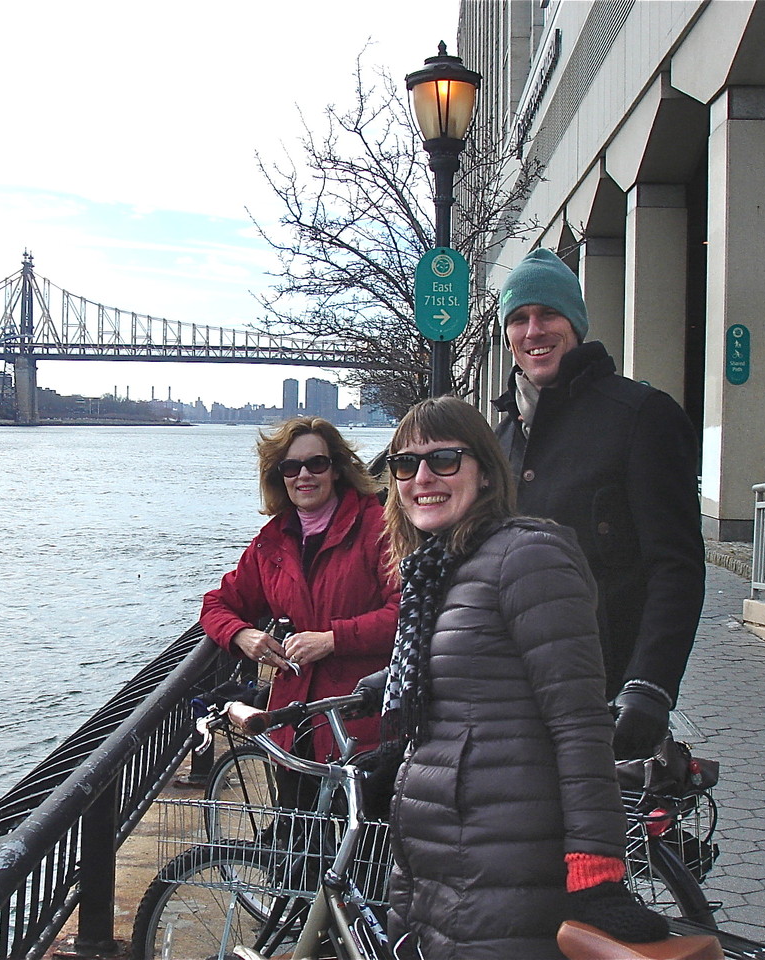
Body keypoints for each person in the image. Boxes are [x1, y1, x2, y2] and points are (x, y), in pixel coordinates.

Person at [369, 396, 667, 960]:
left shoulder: (527, 559)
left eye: (445, 460)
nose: (421, 478)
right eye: (405, 465)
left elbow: (579, 722)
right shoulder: (439, 569)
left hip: (505, 872)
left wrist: (595, 869)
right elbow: (464, 679)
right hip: (443, 864)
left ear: (484, 470)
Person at [492, 248, 706, 759]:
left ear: (577, 323)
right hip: (509, 694)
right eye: (518, 319)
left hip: (604, 699)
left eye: (548, 315)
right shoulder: (498, 441)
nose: (533, 330)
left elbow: (675, 566)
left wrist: (650, 686)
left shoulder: (641, 416)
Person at [200, 416, 400, 771]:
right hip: (294, 725)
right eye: (291, 467)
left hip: (362, 721)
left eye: (316, 463)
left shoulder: (379, 529)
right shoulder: (272, 541)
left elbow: (405, 614)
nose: (303, 475)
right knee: (297, 823)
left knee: (359, 825)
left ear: (336, 469)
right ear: (280, 476)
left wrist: (332, 639)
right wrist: (242, 635)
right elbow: (217, 603)